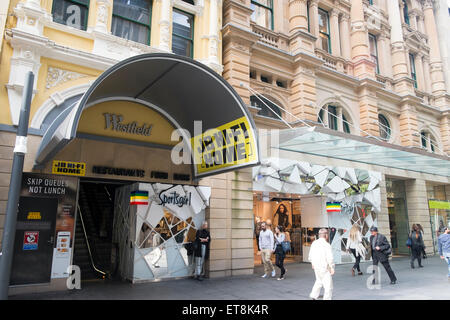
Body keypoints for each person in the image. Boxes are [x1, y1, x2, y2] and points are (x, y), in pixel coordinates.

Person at [308, 228, 335, 300]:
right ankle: (327, 298)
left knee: (319, 280)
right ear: (326, 235)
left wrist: (312, 263)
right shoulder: (327, 245)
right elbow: (330, 257)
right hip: (324, 267)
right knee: (328, 284)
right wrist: (332, 267)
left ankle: (314, 295)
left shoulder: (314, 243)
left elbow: (310, 255)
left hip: (316, 266)